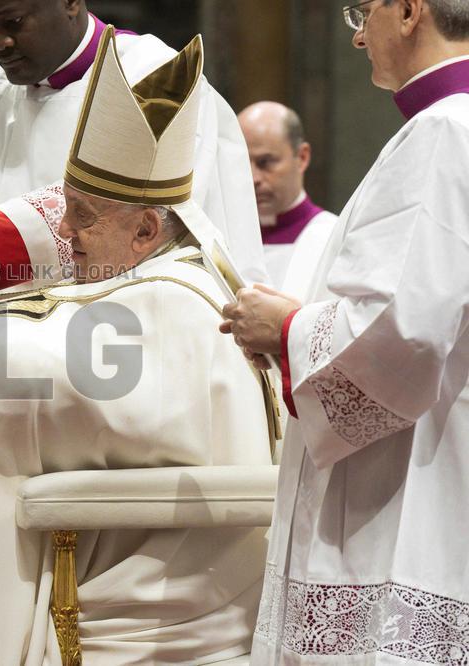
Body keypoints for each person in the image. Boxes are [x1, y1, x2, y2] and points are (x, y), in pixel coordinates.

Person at [0, 31, 277, 664]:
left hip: (162, 628)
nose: (64, 234)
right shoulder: (151, 281)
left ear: (147, 228)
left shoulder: (176, 300)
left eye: (82, 216)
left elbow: (63, 382)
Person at [219, 1, 469, 662]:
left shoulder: (443, 131)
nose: (357, 38)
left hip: (409, 492)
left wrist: (286, 330)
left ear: (409, 11)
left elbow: (405, 330)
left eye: (363, 12)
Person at [0, 0, 267, 301]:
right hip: (14, 340)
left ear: (71, 2)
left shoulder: (152, 80)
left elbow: (120, 212)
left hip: (127, 326)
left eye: (13, 22)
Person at [238, 101, 337, 298]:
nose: (253, 178)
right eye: (241, 163)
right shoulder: (223, 239)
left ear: (302, 157)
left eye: (265, 162)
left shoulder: (334, 238)